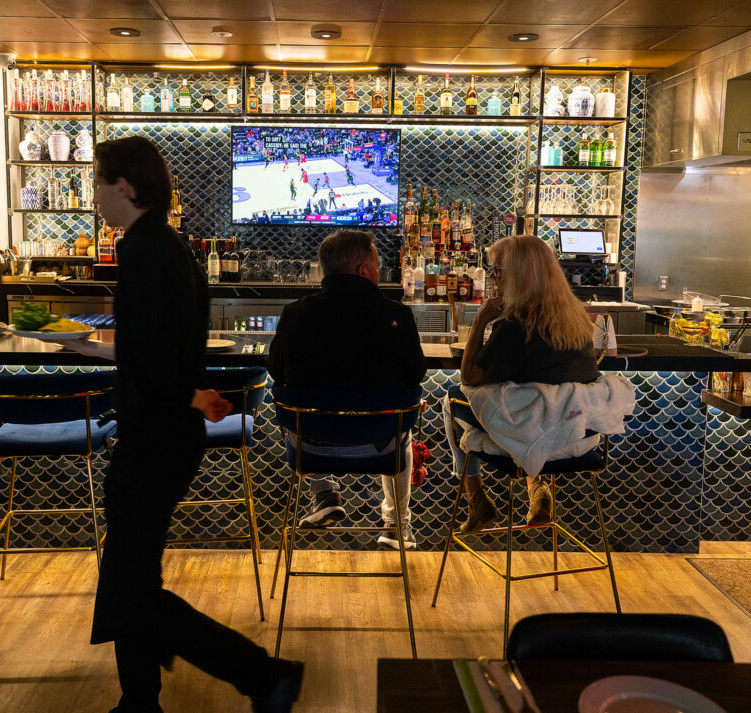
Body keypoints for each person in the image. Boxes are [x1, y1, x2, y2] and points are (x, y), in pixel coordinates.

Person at [74, 136, 303, 713]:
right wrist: (185, 389)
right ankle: (140, 700)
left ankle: (261, 673)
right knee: (131, 571)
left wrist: (185, 392)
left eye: (99, 182)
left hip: (156, 433)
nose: (95, 194)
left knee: (129, 583)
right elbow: (161, 345)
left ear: (123, 186)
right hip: (167, 427)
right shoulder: (163, 246)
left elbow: (155, 356)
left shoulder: (146, 250)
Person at [268, 230, 425, 549]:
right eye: (378, 267)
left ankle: (323, 492)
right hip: (379, 448)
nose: (379, 273)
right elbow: (416, 374)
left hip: (310, 450)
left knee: (301, 411)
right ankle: (396, 526)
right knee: (401, 420)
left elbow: (275, 372)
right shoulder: (396, 315)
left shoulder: (295, 314)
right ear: (363, 270)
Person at [452, 234, 600, 532]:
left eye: (496, 270)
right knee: (533, 402)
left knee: (454, 396)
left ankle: (476, 497)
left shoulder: (514, 326)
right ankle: (537, 488)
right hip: (578, 437)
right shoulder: (580, 323)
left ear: (516, 275)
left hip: (530, 438)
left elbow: (469, 375)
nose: (493, 277)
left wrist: (481, 318)